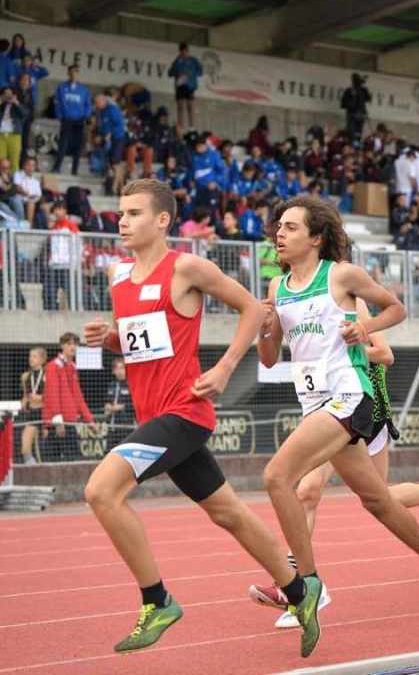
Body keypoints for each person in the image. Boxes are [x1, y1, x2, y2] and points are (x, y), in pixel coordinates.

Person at [80, 179, 302, 654]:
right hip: (154, 415)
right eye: (120, 213)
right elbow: (141, 341)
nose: (122, 222)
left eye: (134, 213)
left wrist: (224, 368)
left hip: (184, 411)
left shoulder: (185, 267)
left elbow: (252, 308)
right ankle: (301, 592)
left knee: (101, 490)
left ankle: (157, 600)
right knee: (228, 513)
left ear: (162, 220)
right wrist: (112, 339)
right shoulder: (118, 275)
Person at [249, 196, 419, 656]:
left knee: (277, 477)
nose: (280, 234)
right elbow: (268, 358)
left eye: (290, 227)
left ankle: (306, 585)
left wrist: (365, 330)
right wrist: (265, 326)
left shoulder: (340, 275)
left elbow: (395, 309)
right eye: (278, 227)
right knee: (377, 500)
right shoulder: (277, 286)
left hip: (350, 396)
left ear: (316, 237)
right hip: (314, 404)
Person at [41, 332, 94, 462]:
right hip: (57, 424)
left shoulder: (72, 367)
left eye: (75, 344)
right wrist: (58, 421)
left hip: (69, 421)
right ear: (62, 346)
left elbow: (78, 396)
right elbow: (52, 394)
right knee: (54, 462)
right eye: (69, 344)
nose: (73, 347)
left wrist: (89, 420)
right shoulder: (53, 366)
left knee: (71, 460)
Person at [53, 65, 92, 175]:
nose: (73, 74)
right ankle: (57, 167)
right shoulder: (61, 87)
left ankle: (74, 170)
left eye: (75, 72)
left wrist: (85, 116)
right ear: (68, 73)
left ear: (78, 74)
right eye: (71, 72)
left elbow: (88, 105)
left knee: (78, 145)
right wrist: (60, 116)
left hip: (79, 121)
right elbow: (57, 103)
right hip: (66, 120)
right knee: (63, 144)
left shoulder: (84, 90)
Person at [18, 346, 46, 464]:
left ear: (42, 359)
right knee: (25, 448)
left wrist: (41, 398)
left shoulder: (48, 374)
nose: (31, 359)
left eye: (34, 356)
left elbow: (53, 397)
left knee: (44, 449)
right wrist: (21, 406)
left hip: (45, 414)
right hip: (32, 414)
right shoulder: (25, 376)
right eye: (30, 356)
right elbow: (25, 396)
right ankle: (32, 468)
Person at [104, 357, 135, 454]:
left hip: (126, 426)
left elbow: (135, 405)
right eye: (117, 368)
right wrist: (108, 406)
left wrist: (122, 407)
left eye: (122, 368)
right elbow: (107, 401)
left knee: (125, 453)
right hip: (112, 426)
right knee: (109, 453)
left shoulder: (131, 384)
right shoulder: (112, 385)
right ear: (113, 371)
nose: (120, 371)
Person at [168, 43, 202, 129]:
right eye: (182, 52)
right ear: (180, 52)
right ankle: (180, 126)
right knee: (180, 106)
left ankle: (192, 127)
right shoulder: (177, 61)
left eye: (185, 51)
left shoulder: (193, 60)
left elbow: (200, 72)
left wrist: (191, 75)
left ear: (188, 51)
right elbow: (170, 73)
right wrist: (178, 73)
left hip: (190, 85)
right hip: (180, 86)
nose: (184, 53)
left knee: (190, 106)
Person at [340, 74, 370, 145]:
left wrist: (362, 89)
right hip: (352, 115)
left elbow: (368, 98)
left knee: (358, 133)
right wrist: (352, 98)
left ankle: (356, 145)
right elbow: (343, 104)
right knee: (351, 133)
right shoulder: (349, 91)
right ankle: (351, 145)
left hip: (360, 115)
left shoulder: (363, 90)